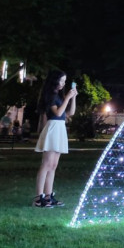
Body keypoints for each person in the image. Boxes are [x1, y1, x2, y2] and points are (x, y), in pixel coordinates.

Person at [34, 71, 76, 208]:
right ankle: (38, 197)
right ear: (55, 81)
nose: (63, 84)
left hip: (60, 128)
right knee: (46, 164)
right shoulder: (50, 95)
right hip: (53, 128)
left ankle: (48, 195)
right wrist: (67, 98)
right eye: (62, 81)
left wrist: (73, 97)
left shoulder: (58, 96)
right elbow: (57, 113)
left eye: (65, 81)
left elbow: (70, 113)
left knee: (53, 166)